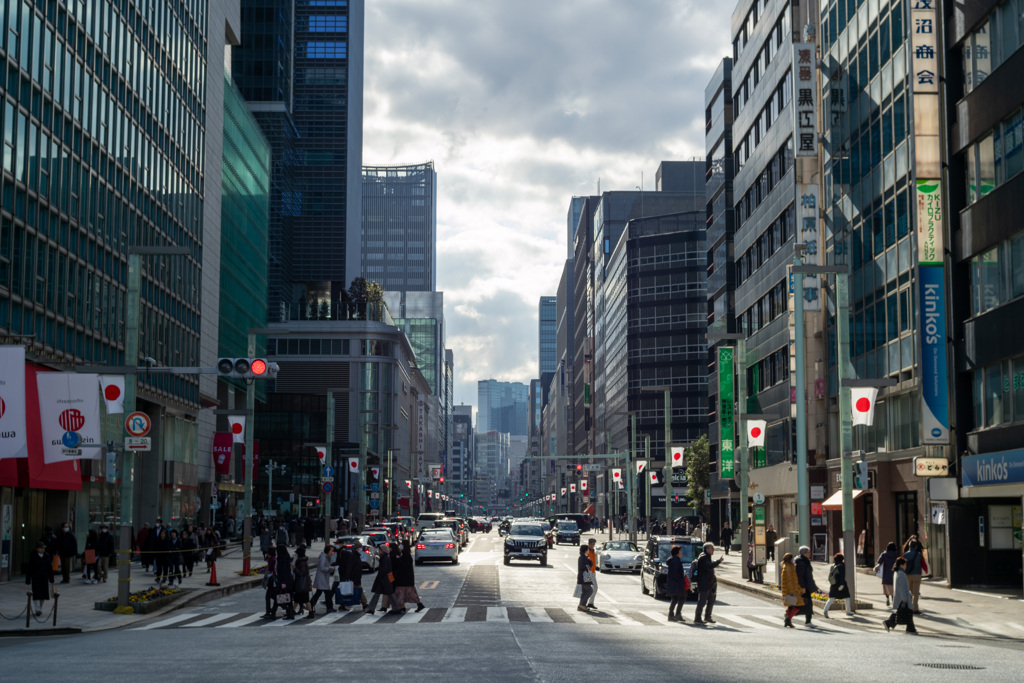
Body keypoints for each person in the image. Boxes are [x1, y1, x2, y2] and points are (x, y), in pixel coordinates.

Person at [883, 557, 917, 634]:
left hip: (900, 597)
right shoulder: (901, 574)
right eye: (905, 565)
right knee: (905, 612)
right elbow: (902, 587)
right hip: (903, 598)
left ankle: (910, 628)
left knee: (903, 612)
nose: (906, 566)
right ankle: (910, 628)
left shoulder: (897, 573)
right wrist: (904, 598)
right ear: (901, 565)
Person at [693, 541, 723, 624]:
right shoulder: (704, 557)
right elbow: (709, 566)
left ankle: (707, 617)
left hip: (708, 583)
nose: (713, 550)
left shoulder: (707, 556)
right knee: (702, 601)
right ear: (707, 549)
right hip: (704, 583)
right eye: (712, 548)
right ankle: (697, 618)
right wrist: (718, 561)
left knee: (711, 600)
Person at [393, 540, 426, 613]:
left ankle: (397, 608)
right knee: (411, 593)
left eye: (401, 544)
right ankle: (419, 604)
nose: (400, 546)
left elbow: (405, 565)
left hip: (404, 579)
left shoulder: (406, 555)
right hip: (407, 579)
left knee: (400, 593)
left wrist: (398, 559)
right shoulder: (405, 554)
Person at [365, 545, 397, 614]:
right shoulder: (386, 557)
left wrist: (381, 576)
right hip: (386, 578)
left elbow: (384, 569)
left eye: (380, 550)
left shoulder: (384, 558)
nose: (378, 551)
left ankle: (371, 608)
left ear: (383, 550)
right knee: (388, 593)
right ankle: (396, 608)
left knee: (383, 593)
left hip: (384, 579)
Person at [26, 541, 54, 616]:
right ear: (37, 549)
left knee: (44, 594)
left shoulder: (47, 556)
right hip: (36, 578)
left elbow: (49, 569)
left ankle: (40, 607)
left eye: (43, 548)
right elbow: (30, 568)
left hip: (44, 578)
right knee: (36, 593)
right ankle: (37, 609)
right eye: (41, 548)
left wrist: (51, 578)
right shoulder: (33, 556)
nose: (42, 550)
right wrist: (28, 579)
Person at [794, 545, 819, 625]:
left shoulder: (805, 561)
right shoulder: (802, 562)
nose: (809, 554)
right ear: (804, 553)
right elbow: (800, 576)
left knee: (803, 603)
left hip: (806, 585)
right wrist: (803, 587)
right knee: (807, 603)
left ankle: (789, 617)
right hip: (804, 586)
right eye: (808, 552)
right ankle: (808, 621)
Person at [270, 545, 295, 620]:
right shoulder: (287, 558)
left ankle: (274, 613)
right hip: (289, 580)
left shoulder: (281, 559)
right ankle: (290, 613)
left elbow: (282, 571)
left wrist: (283, 583)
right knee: (288, 597)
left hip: (283, 580)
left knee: (279, 596)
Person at [310, 543, 336, 615]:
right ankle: (329, 608)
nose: (332, 553)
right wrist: (330, 569)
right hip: (322, 579)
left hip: (323, 579)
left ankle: (310, 605)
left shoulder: (325, 557)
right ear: (328, 551)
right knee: (327, 593)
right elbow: (322, 568)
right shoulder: (324, 558)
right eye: (331, 551)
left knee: (318, 593)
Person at [823, 553, 850, 618]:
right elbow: (842, 576)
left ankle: (825, 610)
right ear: (842, 559)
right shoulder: (842, 566)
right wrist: (842, 584)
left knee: (832, 598)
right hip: (840, 584)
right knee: (847, 597)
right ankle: (848, 611)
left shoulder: (834, 565)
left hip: (833, 584)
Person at [665, 545, 687, 622]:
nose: (682, 552)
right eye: (680, 551)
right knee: (682, 598)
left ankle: (672, 615)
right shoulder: (676, 561)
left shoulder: (673, 560)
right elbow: (676, 573)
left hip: (673, 583)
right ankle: (676, 614)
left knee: (675, 599)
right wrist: (681, 578)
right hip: (677, 583)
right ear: (677, 553)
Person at [779, 552, 801, 628]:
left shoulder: (787, 566)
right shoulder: (789, 567)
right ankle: (788, 619)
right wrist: (793, 591)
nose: (793, 559)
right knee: (797, 606)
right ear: (790, 559)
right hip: (791, 590)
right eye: (792, 558)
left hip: (789, 589)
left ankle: (788, 619)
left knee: (791, 606)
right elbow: (790, 580)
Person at [902, 538, 924, 613]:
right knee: (916, 593)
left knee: (909, 592)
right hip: (917, 575)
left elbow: (902, 565)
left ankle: (909, 607)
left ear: (909, 546)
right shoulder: (919, 554)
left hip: (907, 575)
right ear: (916, 547)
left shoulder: (905, 555)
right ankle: (915, 609)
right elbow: (923, 564)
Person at [875, 542, 899, 607]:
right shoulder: (896, 555)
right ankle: (893, 600)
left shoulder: (884, 554)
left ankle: (887, 598)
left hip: (886, 574)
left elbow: (879, 562)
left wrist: (875, 568)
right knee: (893, 588)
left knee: (886, 588)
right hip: (894, 574)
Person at [293, 546, 313, 618]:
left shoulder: (301, 562)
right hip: (303, 583)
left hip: (302, 583)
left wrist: (294, 569)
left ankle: (311, 612)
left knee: (304, 599)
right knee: (297, 599)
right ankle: (292, 611)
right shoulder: (303, 561)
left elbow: (302, 573)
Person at [260, 542, 278, 619]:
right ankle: (270, 610)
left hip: (272, 580)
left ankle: (269, 611)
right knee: (272, 596)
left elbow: (272, 570)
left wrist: (264, 570)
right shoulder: (273, 559)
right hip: (272, 580)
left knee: (269, 596)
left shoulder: (272, 560)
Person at [576, 545, 594, 612]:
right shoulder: (581, 558)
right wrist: (587, 563)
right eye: (588, 550)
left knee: (584, 592)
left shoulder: (585, 557)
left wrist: (589, 560)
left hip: (585, 577)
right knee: (590, 591)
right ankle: (582, 605)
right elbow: (581, 567)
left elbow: (591, 565)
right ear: (585, 550)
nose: (589, 551)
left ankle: (581, 606)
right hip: (583, 577)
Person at [585, 538, 599, 609]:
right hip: (588, 572)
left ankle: (590, 602)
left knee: (595, 588)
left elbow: (595, 561)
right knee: (587, 589)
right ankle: (584, 603)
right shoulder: (587, 551)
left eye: (594, 544)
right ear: (589, 543)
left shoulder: (593, 551)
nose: (593, 546)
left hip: (593, 572)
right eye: (592, 544)